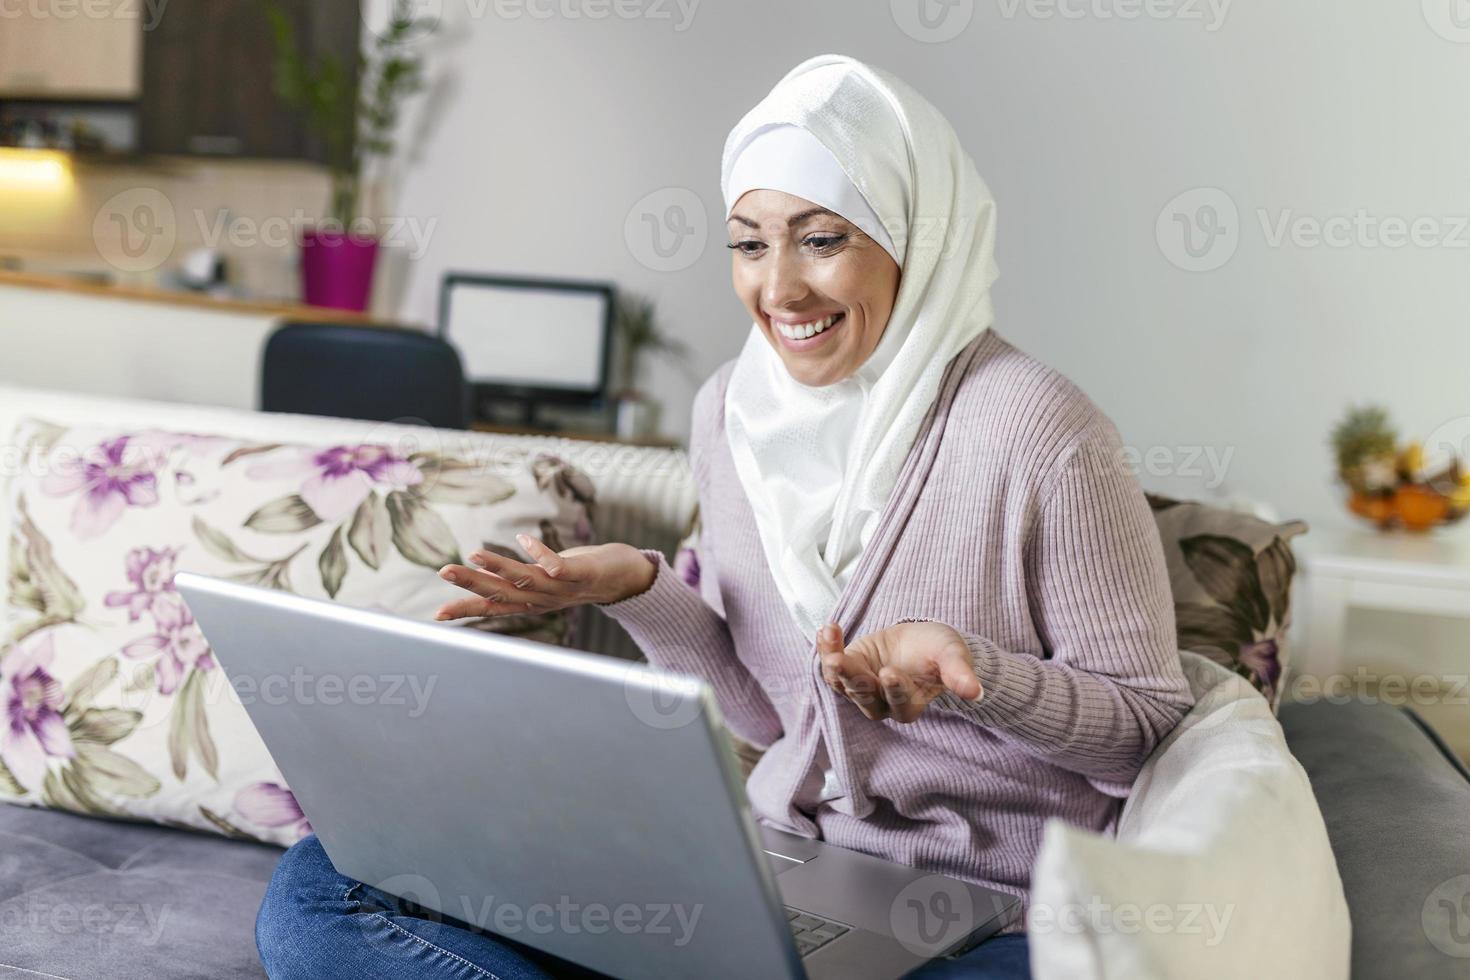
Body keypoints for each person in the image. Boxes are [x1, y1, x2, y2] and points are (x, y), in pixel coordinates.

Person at [254, 54, 1194, 980]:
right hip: (783, 864)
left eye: (823, 240)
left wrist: (975, 673)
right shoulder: (734, 413)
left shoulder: (1046, 434)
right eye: (750, 243)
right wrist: (642, 591)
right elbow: (763, 713)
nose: (778, 290)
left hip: (984, 912)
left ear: (917, 235)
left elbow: (1145, 731)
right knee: (327, 885)